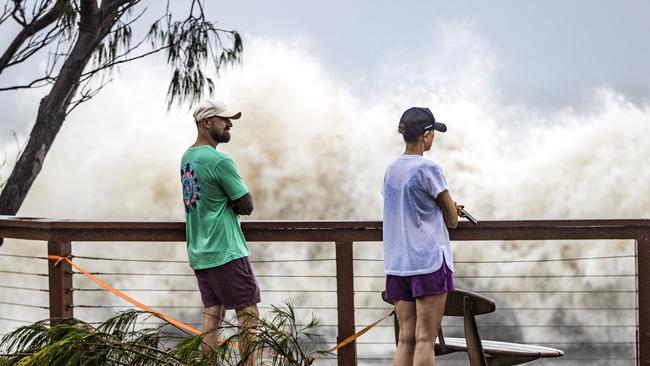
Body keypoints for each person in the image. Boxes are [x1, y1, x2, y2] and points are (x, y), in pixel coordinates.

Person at [180, 100, 260, 365]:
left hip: (201, 251)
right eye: (223, 119)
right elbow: (246, 205)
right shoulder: (219, 160)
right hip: (226, 250)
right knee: (248, 316)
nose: (229, 124)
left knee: (212, 316)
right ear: (206, 123)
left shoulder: (187, 157)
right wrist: (230, 201)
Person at [382, 107, 463, 366]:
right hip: (427, 261)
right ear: (426, 135)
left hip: (398, 263)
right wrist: (452, 209)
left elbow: (404, 203)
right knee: (425, 339)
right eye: (433, 133)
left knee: (405, 339)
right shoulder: (429, 168)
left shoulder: (391, 169)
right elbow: (452, 220)